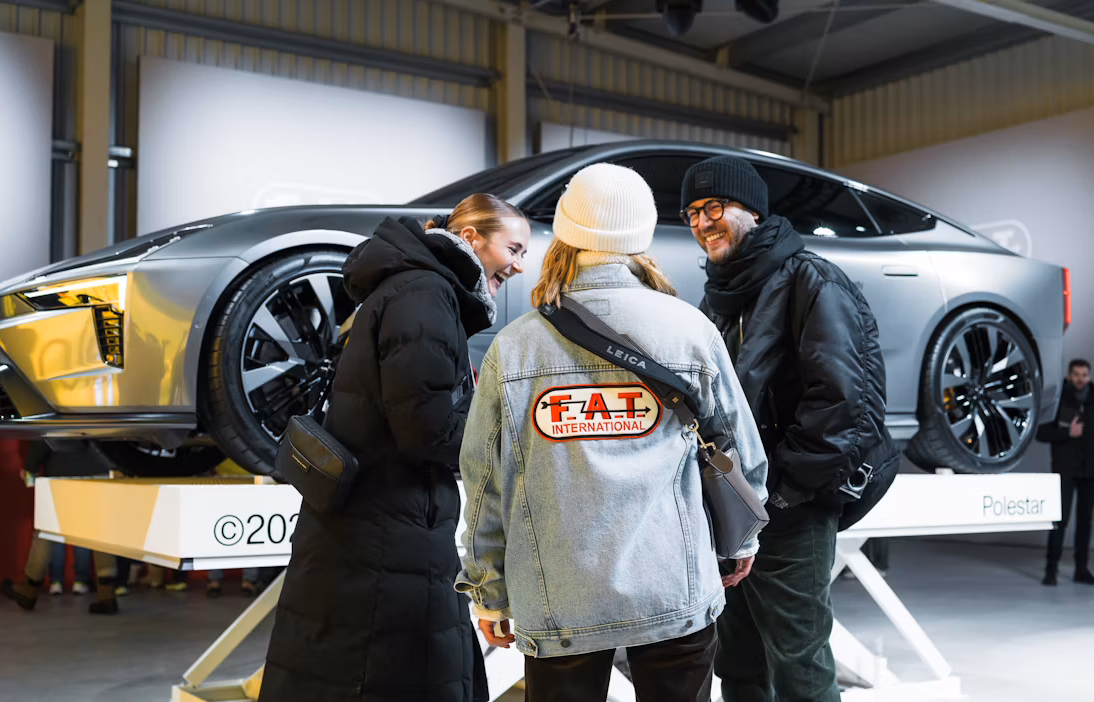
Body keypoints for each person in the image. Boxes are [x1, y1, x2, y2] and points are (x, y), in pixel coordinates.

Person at [455, 162, 768, 702]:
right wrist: (742, 538)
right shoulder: (690, 330)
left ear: (567, 233)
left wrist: (489, 590)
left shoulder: (517, 346)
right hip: (675, 591)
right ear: (640, 237)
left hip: (559, 603)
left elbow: (486, 481)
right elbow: (740, 448)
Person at [258, 194, 531, 702]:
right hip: (388, 533)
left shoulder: (415, 289)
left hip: (377, 526)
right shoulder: (425, 295)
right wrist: (499, 431)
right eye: (513, 249)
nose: (519, 266)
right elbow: (424, 428)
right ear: (471, 239)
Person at [681, 155, 893, 702]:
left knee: (799, 665)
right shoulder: (721, 295)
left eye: (713, 207)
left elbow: (845, 402)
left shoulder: (810, 280)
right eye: (691, 214)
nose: (702, 223)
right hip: (735, 509)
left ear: (751, 209)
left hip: (789, 506)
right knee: (739, 662)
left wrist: (779, 493)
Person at [1, 440, 122, 615]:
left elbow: (48, 432)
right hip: (101, 467)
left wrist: (31, 467)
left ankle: (28, 589)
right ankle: (107, 593)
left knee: (47, 532)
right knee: (101, 533)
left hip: (62, 471)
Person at [1035, 358, 1094, 586]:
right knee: (1059, 520)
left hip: (1091, 472)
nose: (1080, 379)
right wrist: (1067, 433)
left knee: (1085, 522)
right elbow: (1041, 432)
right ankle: (1051, 569)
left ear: (1089, 377)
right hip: (1065, 471)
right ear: (1069, 376)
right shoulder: (1058, 401)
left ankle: (1082, 569)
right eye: (1076, 374)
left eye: (1084, 375)